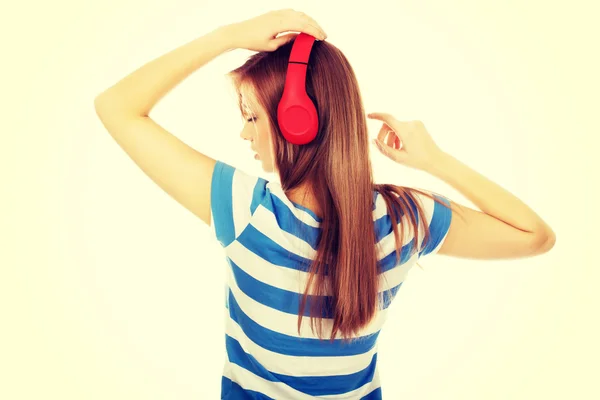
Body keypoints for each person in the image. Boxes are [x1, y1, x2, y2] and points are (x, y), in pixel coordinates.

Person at [94, 8, 556, 400]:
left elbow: (116, 106)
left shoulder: (247, 212)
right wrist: (434, 160)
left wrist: (227, 37)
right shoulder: (402, 220)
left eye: (252, 116)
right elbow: (534, 237)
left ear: (298, 121)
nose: (244, 133)